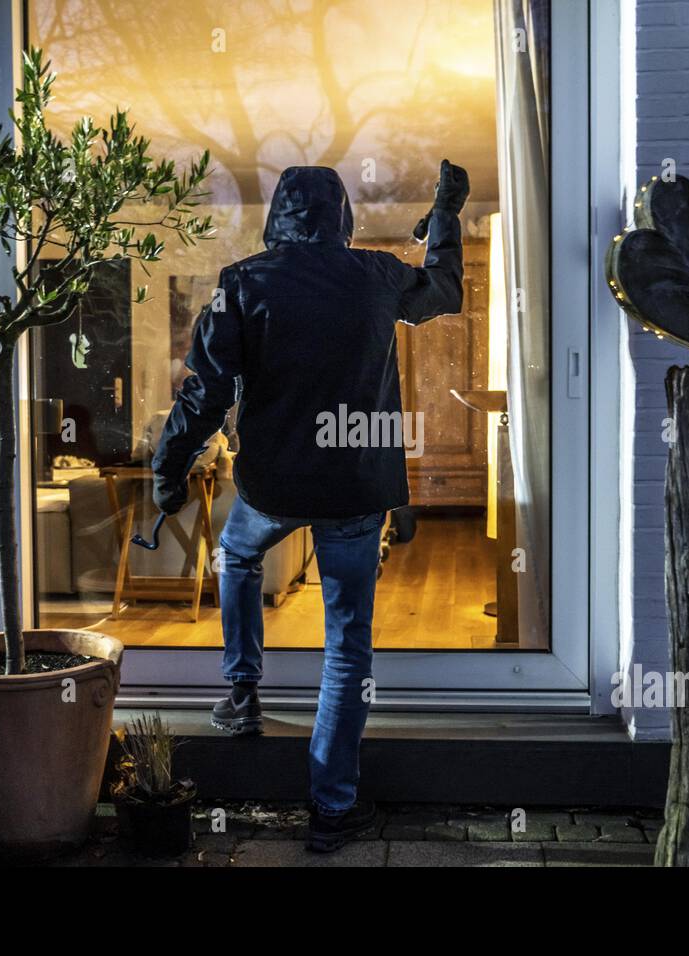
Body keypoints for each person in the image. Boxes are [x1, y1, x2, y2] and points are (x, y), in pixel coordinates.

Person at [152, 160, 468, 851]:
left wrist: (168, 471)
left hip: (275, 485)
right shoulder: (378, 275)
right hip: (356, 487)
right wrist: (445, 218)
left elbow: (202, 395)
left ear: (278, 218)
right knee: (347, 645)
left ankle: (241, 697)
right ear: (342, 217)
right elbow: (443, 291)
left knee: (235, 554)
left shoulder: (243, 283)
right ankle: (333, 809)